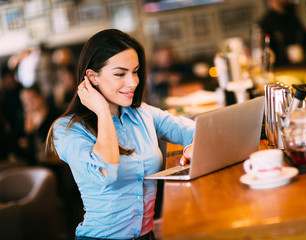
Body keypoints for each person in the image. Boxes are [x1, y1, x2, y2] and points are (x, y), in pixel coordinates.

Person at [46, 29, 195, 240]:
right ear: (92, 77)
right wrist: (102, 112)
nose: (133, 82)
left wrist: (192, 146)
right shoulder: (66, 129)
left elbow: (197, 131)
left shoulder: (142, 113)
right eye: (120, 74)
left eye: (135, 71)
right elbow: (106, 172)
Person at [258, 0, 306, 67]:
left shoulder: (291, 18)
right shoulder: (265, 23)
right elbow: (264, 51)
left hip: (299, 67)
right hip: (280, 70)